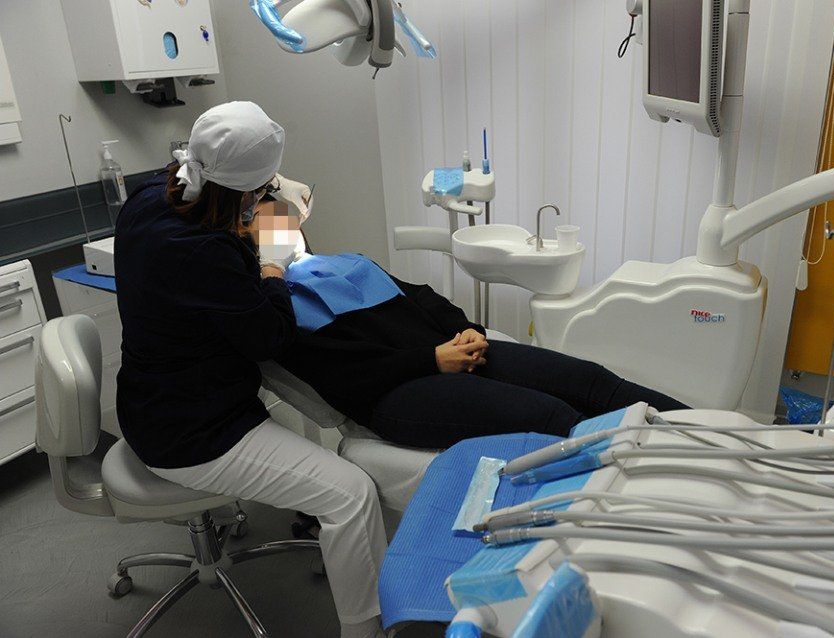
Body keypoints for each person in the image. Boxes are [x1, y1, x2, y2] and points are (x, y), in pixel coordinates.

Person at [113, 102, 387, 638]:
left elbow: (212, 221)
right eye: (261, 190)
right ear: (243, 194)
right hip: (195, 434)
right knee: (351, 494)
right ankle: (370, 629)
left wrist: (266, 193)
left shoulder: (150, 195)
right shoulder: (203, 253)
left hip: (150, 404)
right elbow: (271, 335)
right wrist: (275, 259)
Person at [250, 205, 689, 450]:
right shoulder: (272, 305)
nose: (275, 220)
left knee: (593, 382)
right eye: (256, 218)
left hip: (455, 349)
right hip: (395, 392)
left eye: (276, 213)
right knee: (552, 417)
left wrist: (467, 330)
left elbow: (420, 296)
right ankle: (669, 497)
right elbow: (346, 375)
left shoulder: (342, 262)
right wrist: (432, 359)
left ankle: (723, 439)